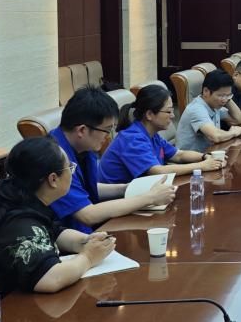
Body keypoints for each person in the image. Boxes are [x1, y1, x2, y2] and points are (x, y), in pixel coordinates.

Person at [0, 137, 119, 322]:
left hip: (5, 307)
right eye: (70, 168)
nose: (72, 172)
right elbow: (51, 279)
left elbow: (52, 231)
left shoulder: (16, 196)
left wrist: (85, 241)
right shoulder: (17, 222)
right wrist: (88, 257)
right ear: (53, 179)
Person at [48, 87, 176, 232]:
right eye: (107, 130)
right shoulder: (55, 159)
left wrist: (127, 188)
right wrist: (150, 198)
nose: (108, 136)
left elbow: (87, 188)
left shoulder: (83, 147)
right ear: (82, 130)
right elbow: (88, 215)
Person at [97, 84, 223, 184]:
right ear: (149, 114)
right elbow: (156, 171)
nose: (173, 116)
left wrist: (206, 157)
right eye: (168, 112)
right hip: (117, 200)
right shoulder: (132, 138)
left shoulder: (152, 135)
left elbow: (179, 155)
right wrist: (201, 166)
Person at [176, 70, 241, 153]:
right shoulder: (197, 109)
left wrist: (227, 97)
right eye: (221, 95)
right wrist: (233, 133)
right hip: (191, 159)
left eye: (228, 95)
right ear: (206, 91)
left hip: (209, 154)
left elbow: (237, 119)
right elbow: (215, 136)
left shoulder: (214, 105)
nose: (224, 100)